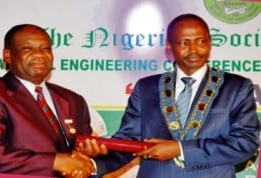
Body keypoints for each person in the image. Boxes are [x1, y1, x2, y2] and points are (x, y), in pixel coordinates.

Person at [102, 13, 260, 178]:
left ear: (210, 43)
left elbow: (245, 142)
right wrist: (98, 156)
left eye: (200, 41)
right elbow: (127, 141)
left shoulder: (236, 87)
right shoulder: (146, 88)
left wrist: (181, 149)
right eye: (184, 43)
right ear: (169, 47)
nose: (193, 50)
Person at [0, 24, 106, 178]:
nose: (39, 55)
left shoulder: (73, 99)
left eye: (45, 49)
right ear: (8, 55)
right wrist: (55, 162)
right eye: (27, 49)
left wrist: (87, 154)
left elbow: (80, 152)